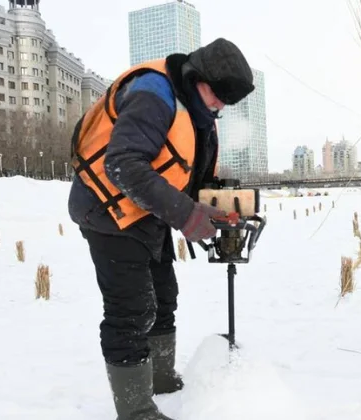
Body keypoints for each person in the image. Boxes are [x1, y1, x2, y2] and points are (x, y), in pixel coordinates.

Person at [67, 38, 255, 419]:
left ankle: (161, 377)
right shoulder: (154, 93)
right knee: (131, 309)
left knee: (164, 297)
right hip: (108, 213)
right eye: (218, 96)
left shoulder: (200, 115)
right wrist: (186, 216)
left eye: (227, 103)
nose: (220, 106)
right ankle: (136, 409)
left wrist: (225, 206)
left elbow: (187, 173)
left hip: (147, 212)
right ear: (199, 76)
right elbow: (124, 165)